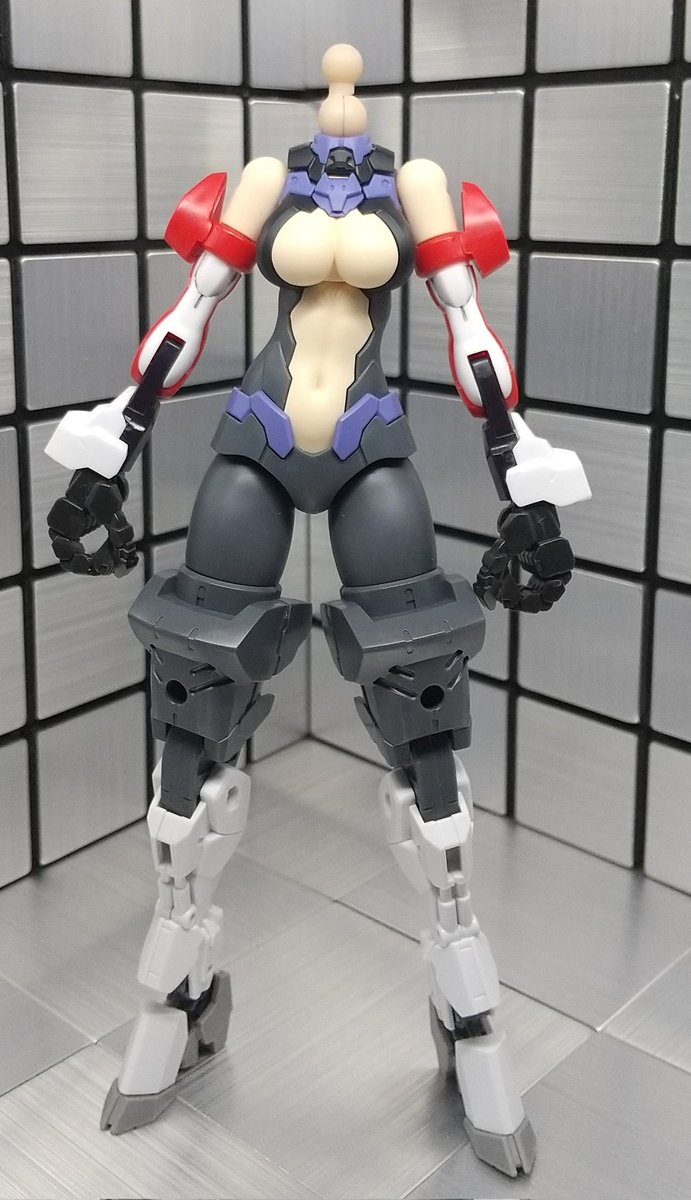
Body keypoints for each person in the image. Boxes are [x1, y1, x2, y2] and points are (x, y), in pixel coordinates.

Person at [46, 44, 590, 1178]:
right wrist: (114, 439)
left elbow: (468, 330)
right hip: (253, 442)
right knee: (193, 714)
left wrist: (519, 466)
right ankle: (177, 995)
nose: (341, 99)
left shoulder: (414, 182)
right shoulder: (265, 177)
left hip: (369, 449)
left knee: (423, 720)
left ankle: (467, 1015)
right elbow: (192, 310)